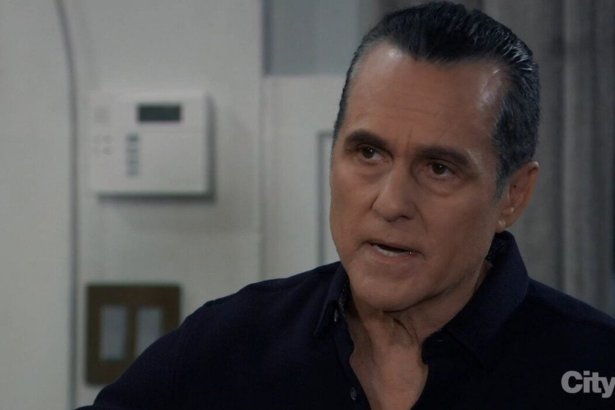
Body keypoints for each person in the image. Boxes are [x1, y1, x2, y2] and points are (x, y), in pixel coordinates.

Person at [79, 2, 615, 409]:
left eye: (439, 168)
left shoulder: (594, 367)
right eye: (368, 153)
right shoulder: (226, 346)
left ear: (513, 195)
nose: (391, 202)